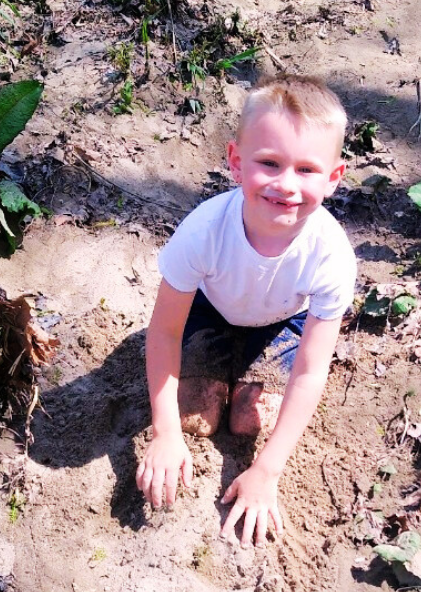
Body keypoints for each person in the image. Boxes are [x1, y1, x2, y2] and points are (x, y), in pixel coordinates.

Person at [135, 75, 356, 546]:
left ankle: (245, 374)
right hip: (209, 312)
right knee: (194, 420)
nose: (286, 185)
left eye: (307, 170)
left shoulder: (331, 254)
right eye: (269, 163)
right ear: (236, 161)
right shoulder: (203, 231)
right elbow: (164, 332)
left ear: (334, 178)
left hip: (282, 323)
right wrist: (163, 432)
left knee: (251, 423)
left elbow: (311, 371)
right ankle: (212, 374)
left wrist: (267, 470)